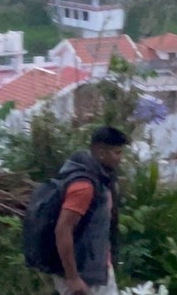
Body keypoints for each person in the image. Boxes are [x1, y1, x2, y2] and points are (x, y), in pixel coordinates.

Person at [53, 126, 129, 295]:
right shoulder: (84, 186)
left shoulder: (101, 180)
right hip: (83, 275)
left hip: (97, 270)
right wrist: (73, 278)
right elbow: (63, 229)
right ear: (101, 153)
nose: (120, 159)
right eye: (117, 153)